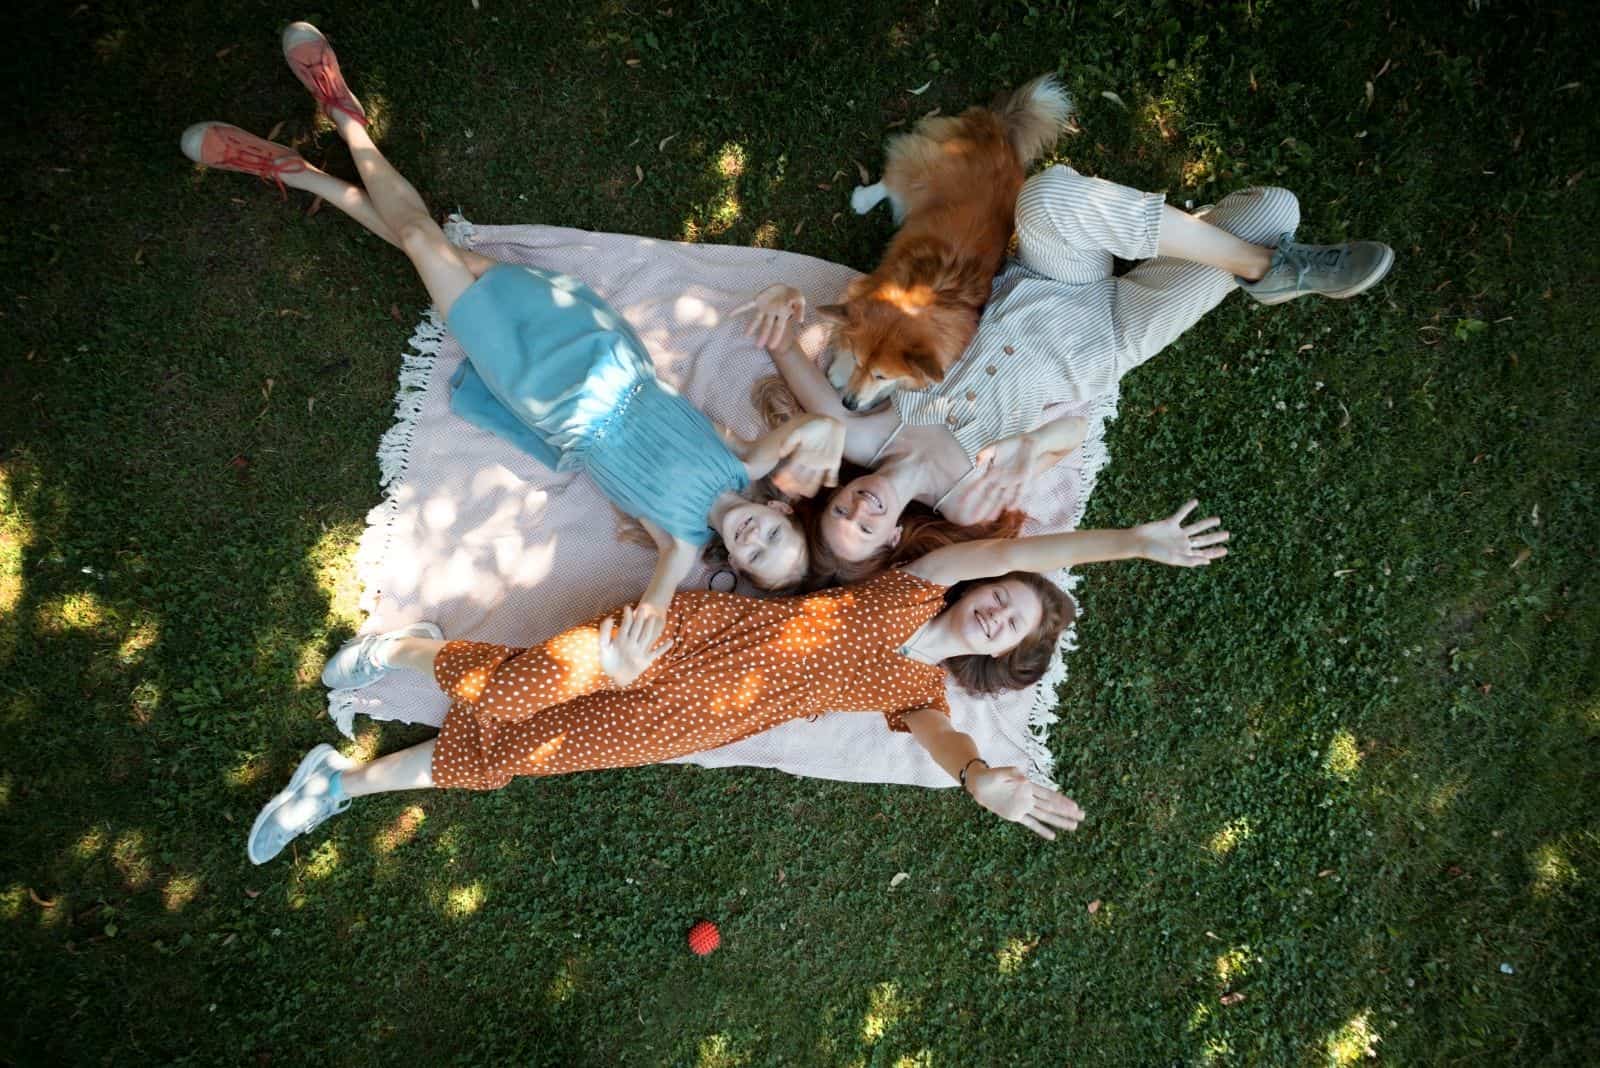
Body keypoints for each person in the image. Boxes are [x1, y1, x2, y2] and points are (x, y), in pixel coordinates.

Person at [180, 22, 847, 653]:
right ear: (783, 510)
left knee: (421, 242)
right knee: (426, 244)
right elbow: (818, 432)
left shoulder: (677, 542)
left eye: (755, 557)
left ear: (731, 563)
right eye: (775, 536)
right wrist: (829, 441)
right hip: (598, 344)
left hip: (542, 386)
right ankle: (305, 160)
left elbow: (654, 609)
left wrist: (645, 639)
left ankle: (337, 123)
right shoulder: (748, 464)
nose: (756, 539)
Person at [248, 500, 1229, 863]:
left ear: (990, 657)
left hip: (689, 726)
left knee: (524, 751)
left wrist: (981, 781)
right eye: (1010, 594)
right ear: (983, 579)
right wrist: (1130, 545)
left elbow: (948, 747)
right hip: (677, 643)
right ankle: (407, 652)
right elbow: (1041, 544)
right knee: (508, 690)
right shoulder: (903, 595)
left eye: (1012, 628)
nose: (1001, 611)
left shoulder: (919, 695)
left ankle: (339, 782)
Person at [743, 162, 1393, 575]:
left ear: (837, 496)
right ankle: (1256, 259)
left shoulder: (865, 436)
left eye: (841, 515)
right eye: (866, 531)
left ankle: (1259, 268)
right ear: (888, 541)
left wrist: (779, 306)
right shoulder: (965, 501)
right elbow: (1072, 437)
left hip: (1045, 279)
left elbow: (791, 358)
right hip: (1106, 341)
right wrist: (1031, 445)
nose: (860, 512)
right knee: (1275, 211)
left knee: (1048, 196)